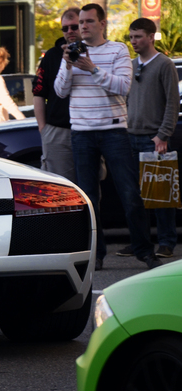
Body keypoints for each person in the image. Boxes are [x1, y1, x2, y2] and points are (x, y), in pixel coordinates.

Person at [54, 3, 162, 271]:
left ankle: (144, 251)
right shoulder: (72, 52)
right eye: (81, 22)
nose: (83, 27)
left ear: (102, 24)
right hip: (82, 133)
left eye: (89, 21)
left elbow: (123, 87)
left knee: (129, 192)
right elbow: (59, 92)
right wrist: (68, 65)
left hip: (113, 130)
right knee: (89, 198)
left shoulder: (118, 50)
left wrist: (91, 68)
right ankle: (97, 254)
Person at [115, 18, 180, 259]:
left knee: (161, 194)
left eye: (139, 36)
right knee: (134, 196)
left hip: (153, 139)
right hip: (129, 138)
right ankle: (139, 242)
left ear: (152, 37)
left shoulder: (165, 65)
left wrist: (162, 135)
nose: (134, 41)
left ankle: (166, 242)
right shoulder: (131, 65)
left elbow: (173, 104)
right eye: (131, 37)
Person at [32, 7, 82, 183]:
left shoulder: (94, 52)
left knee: (90, 186)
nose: (70, 31)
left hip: (89, 129)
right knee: (60, 187)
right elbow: (38, 93)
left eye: (74, 26)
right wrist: (43, 129)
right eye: (65, 28)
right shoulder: (52, 56)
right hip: (58, 131)